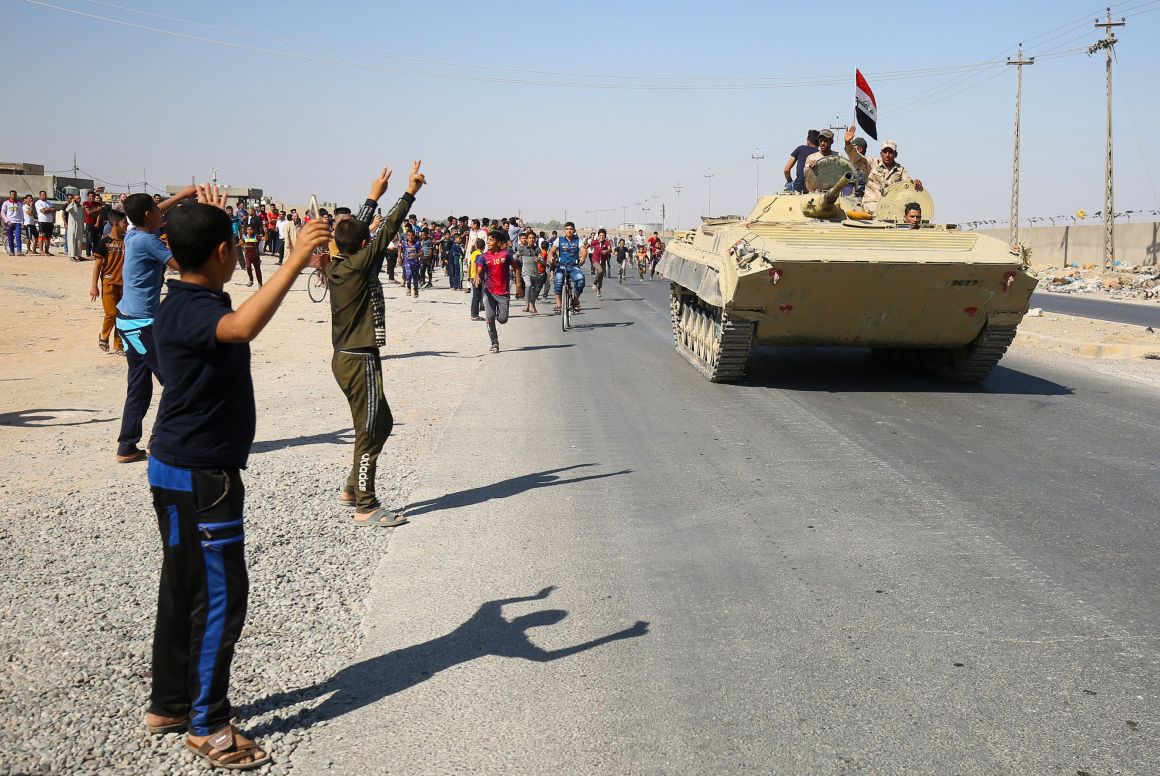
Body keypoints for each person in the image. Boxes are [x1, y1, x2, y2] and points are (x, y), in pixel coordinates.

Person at [143, 183, 330, 772]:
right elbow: (243, 328)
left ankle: (169, 705)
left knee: (181, 585)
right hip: (202, 476)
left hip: (173, 465)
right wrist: (296, 259)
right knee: (221, 595)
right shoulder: (202, 310)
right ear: (224, 252)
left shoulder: (172, 301)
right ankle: (207, 723)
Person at [327, 161, 425, 526]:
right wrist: (409, 192)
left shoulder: (340, 261)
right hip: (359, 360)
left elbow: (353, 231)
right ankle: (366, 506)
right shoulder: (359, 264)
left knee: (380, 423)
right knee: (370, 429)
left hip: (348, 358)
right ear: (365, 246)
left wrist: (372, 196)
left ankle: (353, 486)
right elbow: (388, 229)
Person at [113, 186, 196, 463]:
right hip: (142, 323)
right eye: (157, 209)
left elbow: (155, 211)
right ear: (148, 215)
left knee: (139, 385)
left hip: (126, 320)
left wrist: (183, 195)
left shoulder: (135, 233)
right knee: (176, 382)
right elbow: (182, 267)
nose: (162, 211)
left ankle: (127, 446)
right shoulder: (149, 242)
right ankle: (158, 442)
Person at [843, 127, 924, 215]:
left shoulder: (901, 170)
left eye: (890, 152)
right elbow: (856, 158)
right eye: (885, 152)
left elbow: (907, 185)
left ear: (895, 154)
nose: (887, 155)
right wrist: (848, 143)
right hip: (871, 206)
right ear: (881, 154)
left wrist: (915, 183)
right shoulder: (871, 164)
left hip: (892, 208)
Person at [90, 209, 127, 353]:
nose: (126, 225)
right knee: (111, 314)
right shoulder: (104, 242)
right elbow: (98, 266)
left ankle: (118, 344)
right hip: (108, 284)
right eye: (124, 222)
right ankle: (104, 336)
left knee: (121, 315)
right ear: (116, 224)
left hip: (124, 285)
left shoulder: (127, 240)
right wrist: (94, 286)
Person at [475, 230, 513, 353]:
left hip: (503, 292)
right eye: (488, 240)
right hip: (488, 291)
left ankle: (498, 314)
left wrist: (518, 286)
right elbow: (479, 269)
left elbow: (517, 267)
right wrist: (476, 276)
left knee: (502, 319)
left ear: (499, 242)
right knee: (489, 318)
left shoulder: (506, 255)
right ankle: (494, 343)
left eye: (491, 240)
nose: (488, 242)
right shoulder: (483, 256)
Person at [551, 221, 586, 313]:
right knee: (558, 281)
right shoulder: (559, 240)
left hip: (574, 267)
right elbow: (552, 250)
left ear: (574, 230)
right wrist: (550, 257)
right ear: (564, 230)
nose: (569, 231)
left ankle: (575, 300)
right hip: (561, 266)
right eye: (567, 229)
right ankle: (558, 304)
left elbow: (583, 250)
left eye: (571, 229)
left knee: (580, 280)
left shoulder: (578, 240)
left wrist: (583, 257)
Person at [783, 129, 819, 193]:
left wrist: (790, 181)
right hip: (814, 188)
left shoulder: (800, 149)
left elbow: (786, 170)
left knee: (787, 185)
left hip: (799, 187)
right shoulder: (820, 154)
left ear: (808, 141)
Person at [519, 231, 545, 314]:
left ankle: (532, 305)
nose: (531, 239)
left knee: (533, 290)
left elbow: (542, 260)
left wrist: (538, 259)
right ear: (526, 239)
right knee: (528, 285)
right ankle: (528, 304)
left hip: (534, 272)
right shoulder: (522, 249)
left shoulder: (537, 249)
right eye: (530, 238)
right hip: (525, 272)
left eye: (533, 238)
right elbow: (516, 257)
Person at [589, 228, 611, 297]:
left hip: (603, 261)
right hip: (595, 260)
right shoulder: (594, 242)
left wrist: (606, 251)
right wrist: (582, 253)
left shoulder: (607, 242)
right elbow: (588, 245)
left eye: (603, 235)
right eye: (600, 235)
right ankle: (594, 283)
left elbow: (610, 249)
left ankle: (598, 289)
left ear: (605, 236)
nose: (602, 237)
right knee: (600, 270)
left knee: (601, 277)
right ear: (598, 236)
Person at [34, 191, 56, 255]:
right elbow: (43, 211)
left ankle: (47, 251)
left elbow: (54, 209)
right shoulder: (38, 203)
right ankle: (41, 251)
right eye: (43, 195)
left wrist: (48, 209)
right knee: (41, 236)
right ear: (40, 195)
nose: (44, 196)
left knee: (48, 237)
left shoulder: (49, 202)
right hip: (42, 221)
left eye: (45, 195)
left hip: (50, 221)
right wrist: (50, 210)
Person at [401, 229, 421, 298]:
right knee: (409, 275)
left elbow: (422, 252)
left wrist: (417, 255)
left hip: (415, 263)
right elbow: (399, 249)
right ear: (406, 236)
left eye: (412, 235)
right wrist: (399, 258)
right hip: (407, 262)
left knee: (415, 278)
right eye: (409, 235)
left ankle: (415, 289)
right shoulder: (404, 243)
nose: (410, 237)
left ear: (414, 236)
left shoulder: (417, 243)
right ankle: (408, 287)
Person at [64, 194, 85, 260]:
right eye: (77, 199)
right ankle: (72, 256)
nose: (79, 200)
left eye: (79, 198)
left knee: (79, 241)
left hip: (79, 226)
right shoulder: (71, 206)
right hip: (72, 226)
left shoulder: (81, 208)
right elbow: (67, 210)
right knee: (72, 240)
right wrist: (72, 202)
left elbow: (83, 217)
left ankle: (78, 255)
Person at [83, 191, 104, 256]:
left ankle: (95, 253)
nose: (91, 197)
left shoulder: (97, 204)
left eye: (93, 196)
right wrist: (97, 210)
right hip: (89, 223)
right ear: (88, 197)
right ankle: (88, 253)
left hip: (96, 224)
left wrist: (97, 223)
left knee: (96, 239)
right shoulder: (86, 203)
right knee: (89, 239)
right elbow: (88, 213)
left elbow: (99, 215)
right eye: (90, 196)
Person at [2, 190, 22, 256]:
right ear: (10, 195)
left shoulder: (19, 203)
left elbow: (21, 213)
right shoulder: (6, 203)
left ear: (16, 195)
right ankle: (11, 251)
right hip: (9, 222)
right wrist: (7, 221)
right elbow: (2, 213)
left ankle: (19, 251)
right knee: (10, 237)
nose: (13, 196)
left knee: (18, 236)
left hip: (17, 222)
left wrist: (22, 222)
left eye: (14, 194)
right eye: (12, 194)